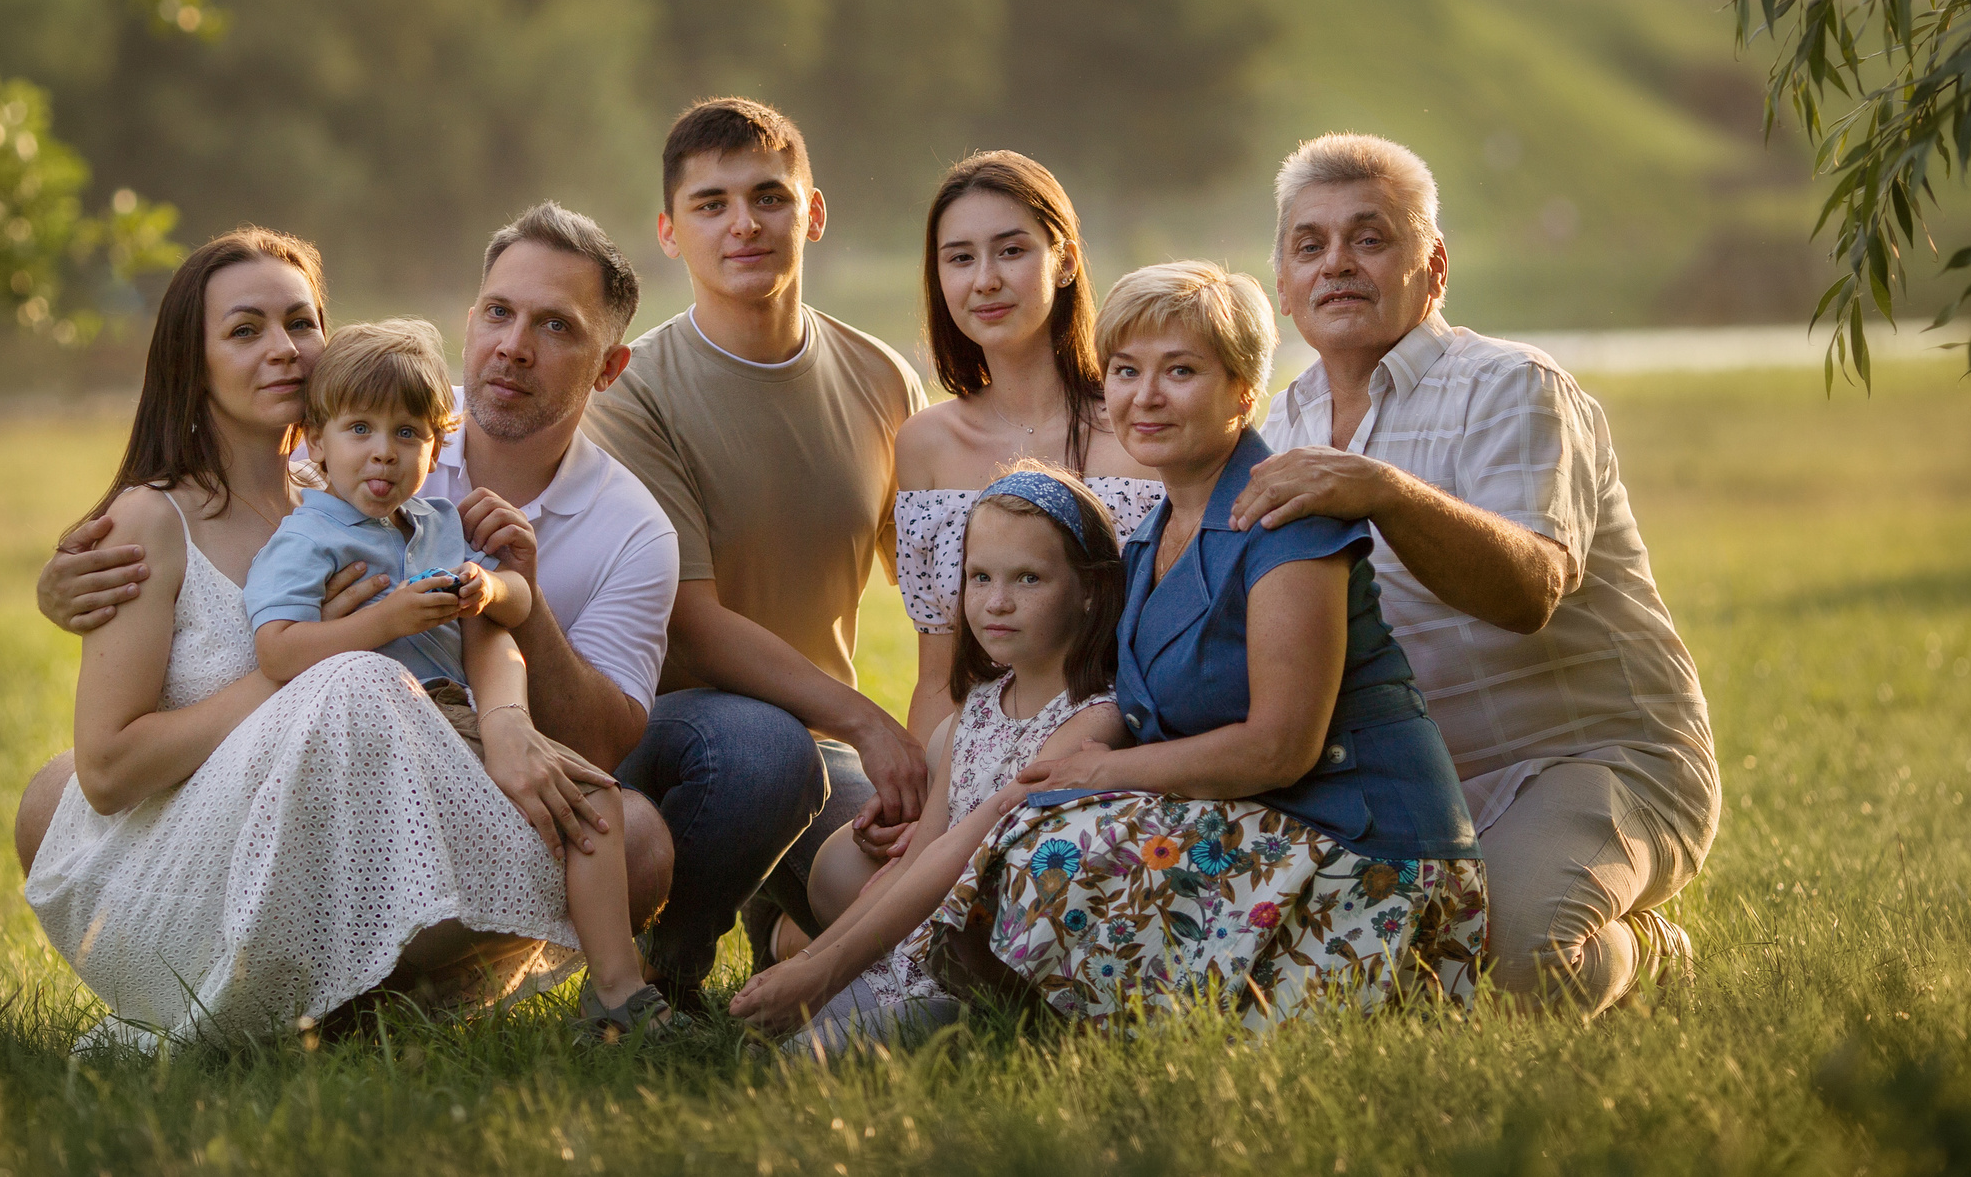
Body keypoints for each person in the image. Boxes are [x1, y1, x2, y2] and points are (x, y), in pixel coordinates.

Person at [22, 230, 615, 1044]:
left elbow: (464, 581)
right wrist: (318, 652)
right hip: (203, 865)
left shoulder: (355, 491)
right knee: (355, 682)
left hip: (341, 855)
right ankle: (285, 996)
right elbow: (109, 769)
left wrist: (504, 700)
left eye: (301, 323)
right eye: (245, 330)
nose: (284, 350)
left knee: (623, 831)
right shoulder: (151, 522)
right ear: (190, 365)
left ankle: (378, 1004)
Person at [928, 262, 1487, 1032]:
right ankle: (1036, 1030)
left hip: (1363, 844)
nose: (1145, 395)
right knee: (1038, 837)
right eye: (1125, 370)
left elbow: (1280, 747)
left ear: (1243, 392)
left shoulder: (1286, 516)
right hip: (1263, 832)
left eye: (1180, 371)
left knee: (1057, 851)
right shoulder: (1152, 541)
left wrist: (1103, 773)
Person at [1234, 133, 1718, 1013]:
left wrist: (1379, 489)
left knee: (1514, 967)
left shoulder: (1513, 386)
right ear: (1283, 284)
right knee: (1334, 975)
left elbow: (1527, 591)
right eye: (1311, 245)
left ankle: (1647, 946)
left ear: (1435, 266)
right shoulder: (1279, 424)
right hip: (1407, 781)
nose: (1337, 262)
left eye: (1370, 238)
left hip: (1588, 758)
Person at [584, 97, 929, 1004]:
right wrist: (865, 717)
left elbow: (941, 600)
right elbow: (692, 625)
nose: (745, 223)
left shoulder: (884, 378)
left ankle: (780, 922)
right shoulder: (631, 393)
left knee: (920, 910)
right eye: (711, 204)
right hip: (680, 743)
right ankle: (673, 966)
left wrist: (951, 759)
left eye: (769, 196)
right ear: (670, 232)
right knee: (762, 750)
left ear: (812, 212)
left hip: (826, 752)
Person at [244, 317, 672, 1038]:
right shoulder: (307, 537)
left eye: (408, 433)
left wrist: (489, 586)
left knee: (595, 794)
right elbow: (279, 651)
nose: (384, 452)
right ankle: (362, 998)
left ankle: (618, 989)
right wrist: (388, 618)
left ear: (436, 445)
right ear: (314, 441)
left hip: (458, 719)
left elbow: (506, 615)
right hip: (376, 737)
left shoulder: (435, 522)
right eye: (359, 429)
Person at [730, 463, 1126, 1053]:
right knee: (766, 1048)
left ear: (1091, 590)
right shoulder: (976, 711)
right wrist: (808, 963)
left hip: (978, 970)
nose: (997, 602)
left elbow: (959, 853)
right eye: (979, 577)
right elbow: (917, 860)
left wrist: (822, 971)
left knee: (811, 1059)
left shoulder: (1094, 721)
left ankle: (980, 1035)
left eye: (1028, 579)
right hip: (913, 954)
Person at [893, 152, 1161, 746]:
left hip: (1123, 748)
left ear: (1063, 261)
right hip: (972, 757)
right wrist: (927, 802)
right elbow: (939, 678)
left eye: (1011, 251)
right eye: (960, 258)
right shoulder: (925, 445)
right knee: (844, 847)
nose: (984, 279)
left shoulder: (1141, 430)